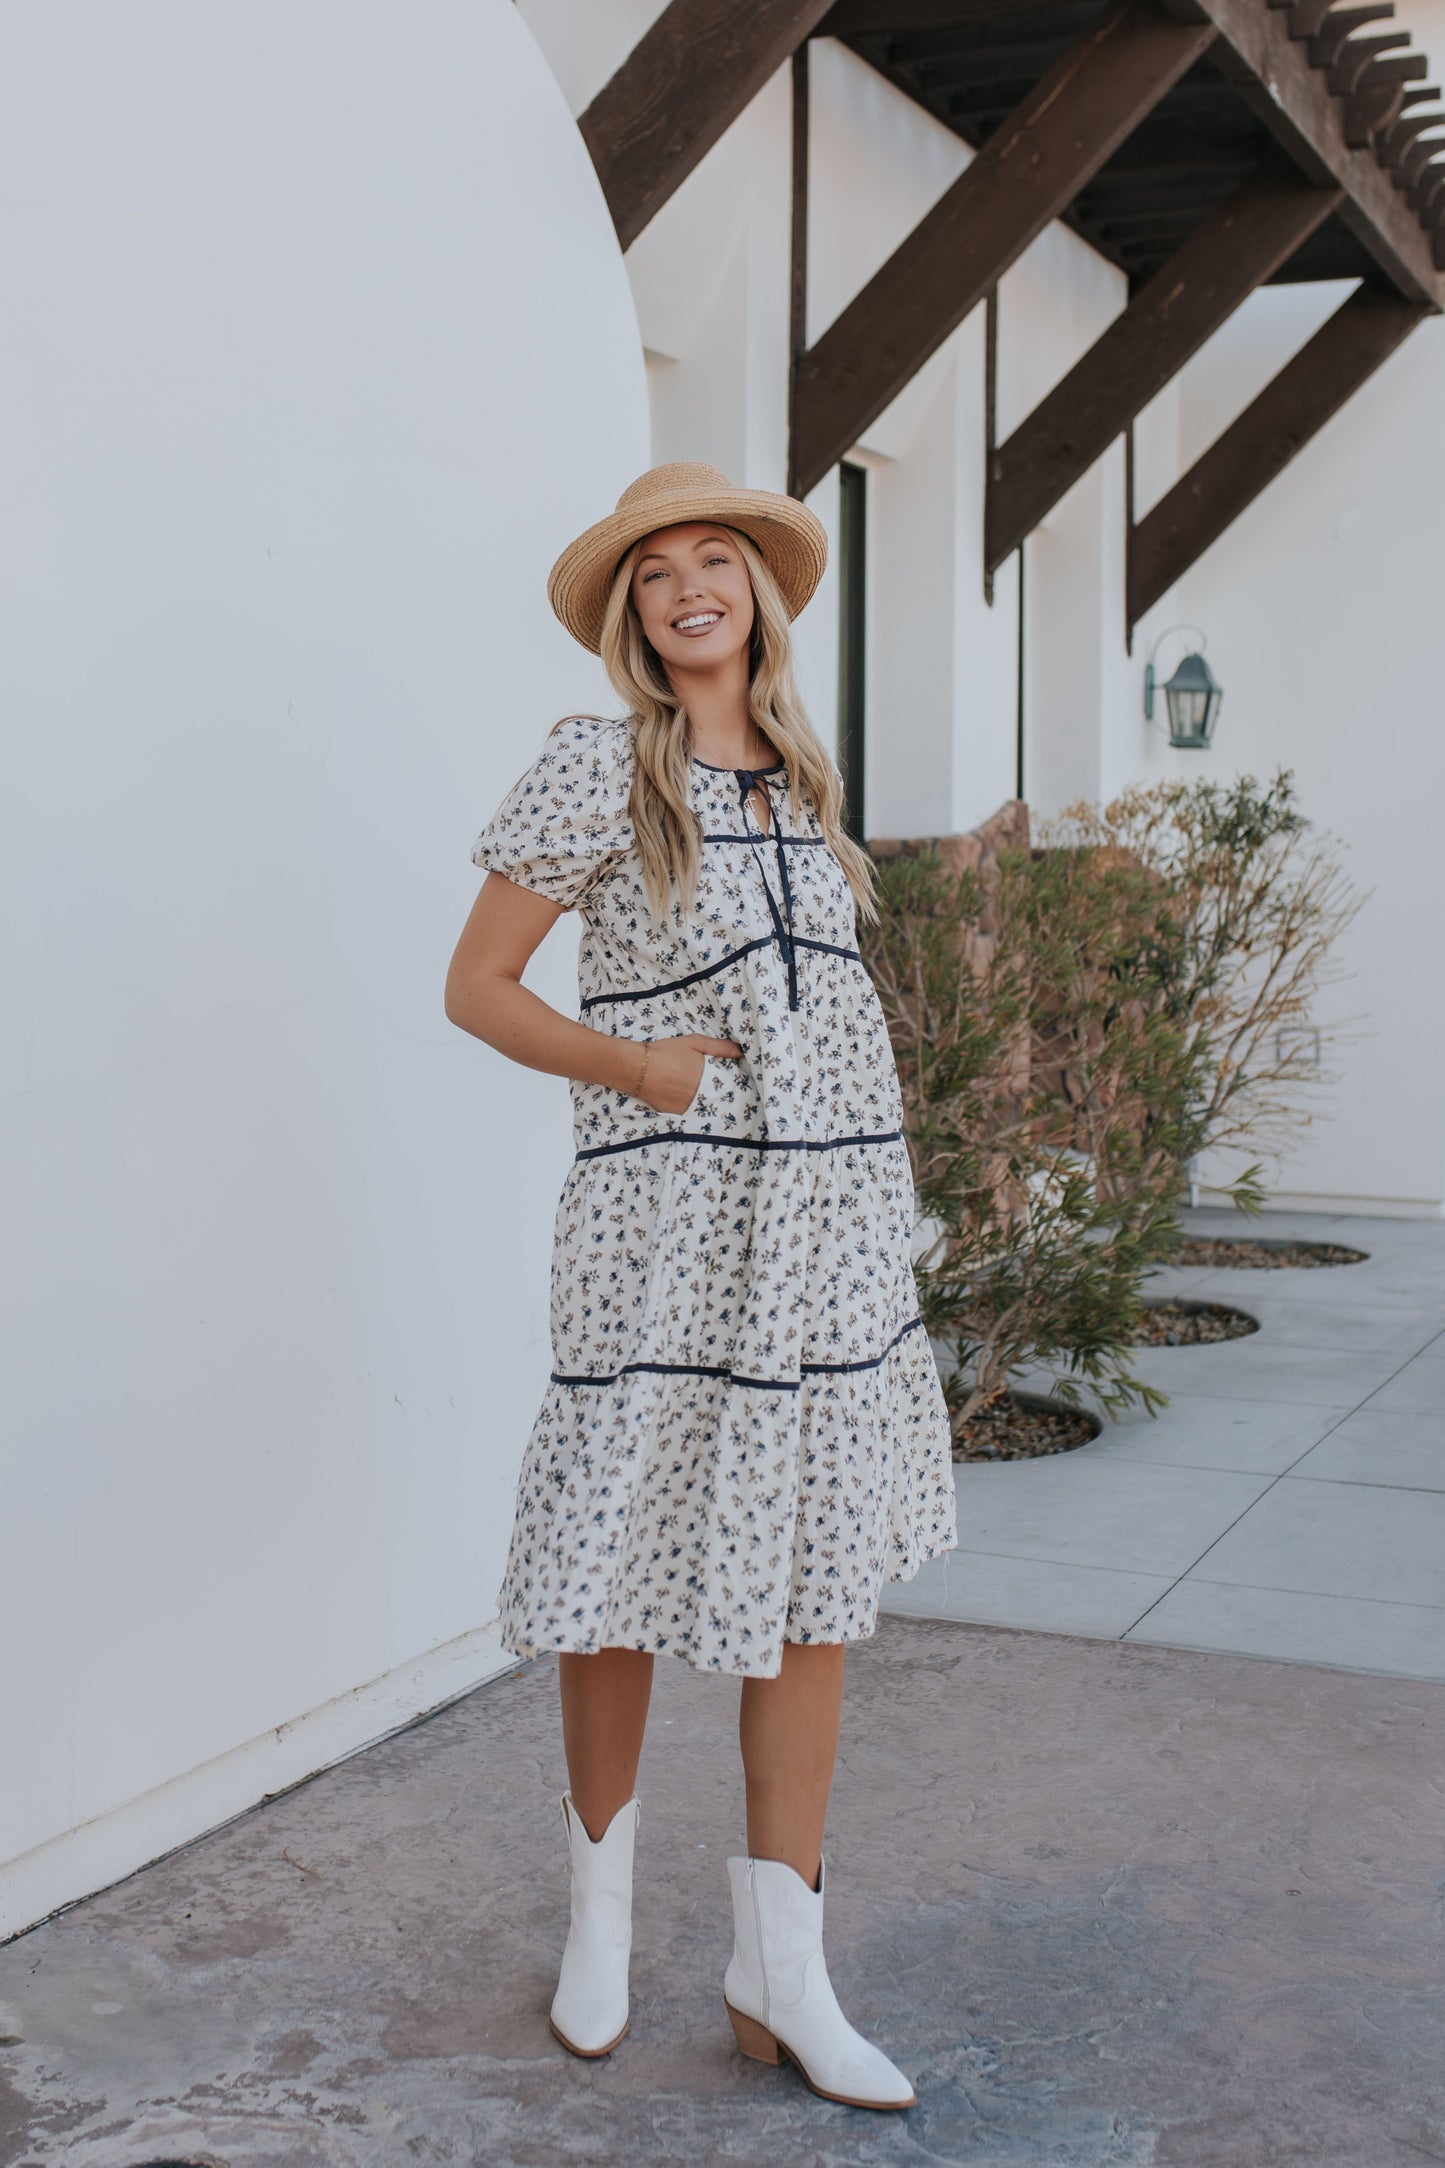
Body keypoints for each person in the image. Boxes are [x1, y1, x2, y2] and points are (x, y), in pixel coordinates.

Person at [444, 462, 956, 2111]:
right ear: (631, 616)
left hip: (823, 1237)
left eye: (713, 558)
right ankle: (599, 1926)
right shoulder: (592, 767)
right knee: (620, 1564)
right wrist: (637, 1069)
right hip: (662, 1232)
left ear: (756, 593)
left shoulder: (803, 775)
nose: (686, 586)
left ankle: (778, 1975)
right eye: (653, 571)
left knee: (803, 1582)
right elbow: (477, 987)